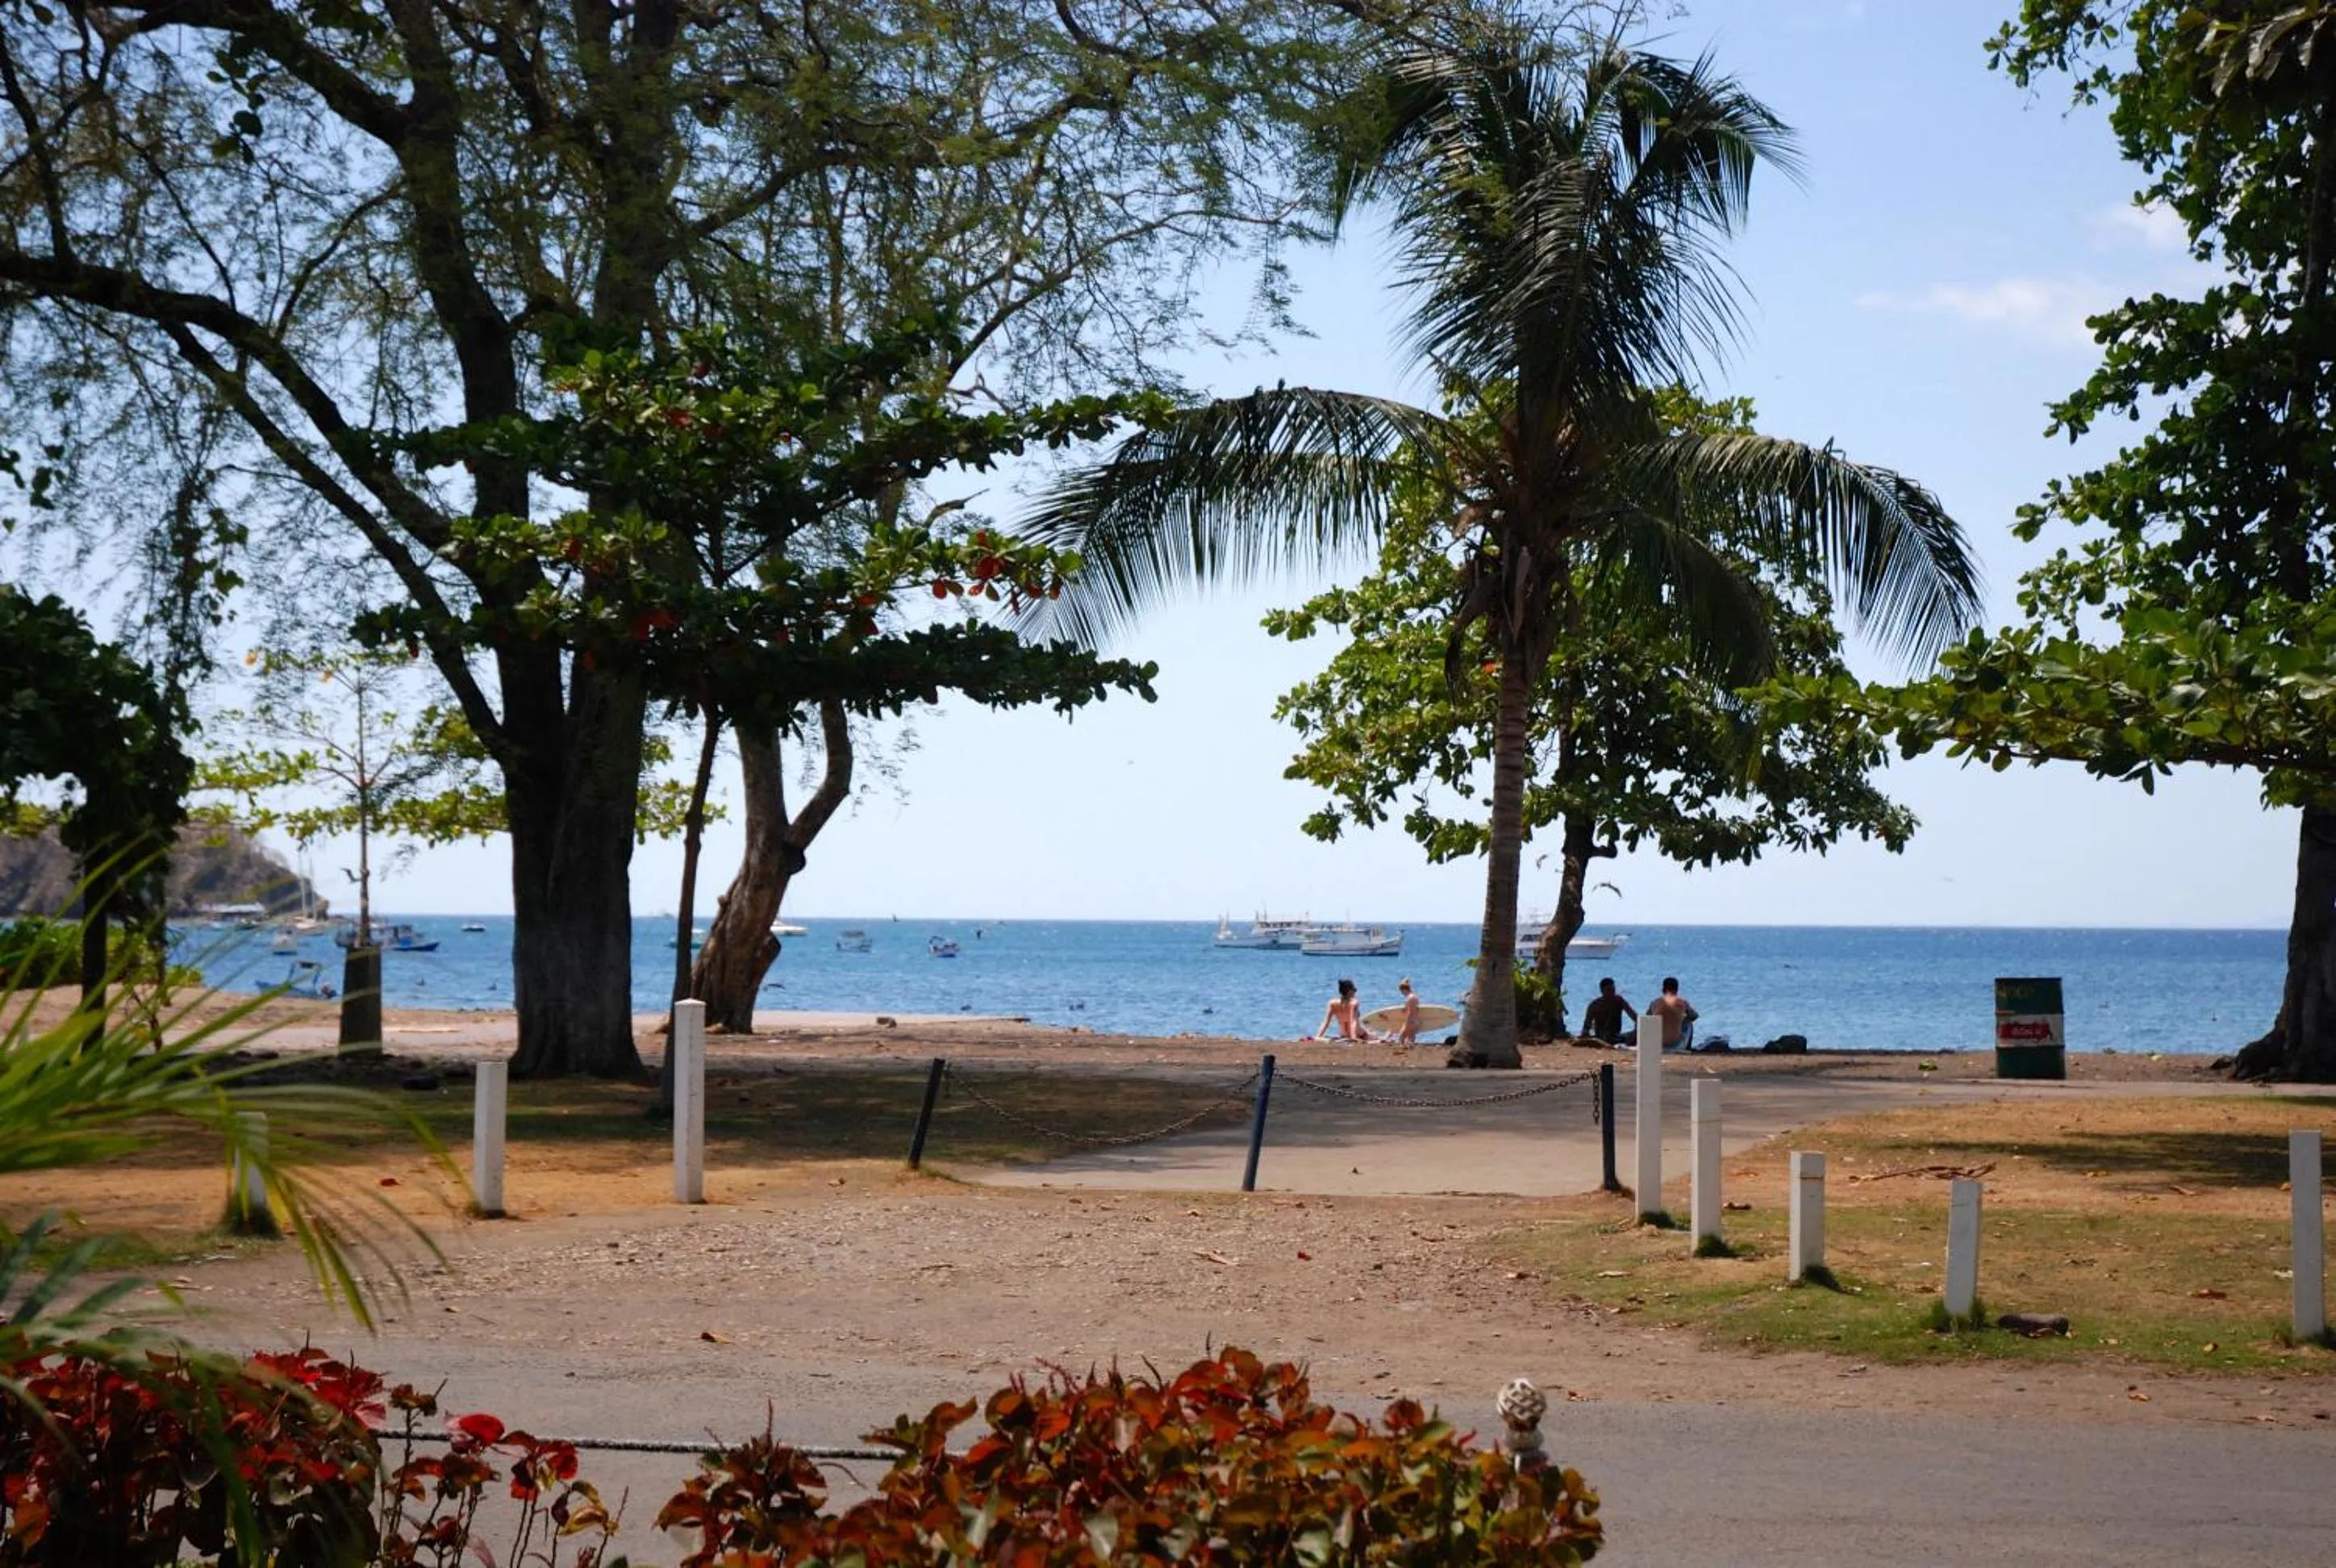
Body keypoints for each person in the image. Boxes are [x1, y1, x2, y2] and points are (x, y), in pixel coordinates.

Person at [1646, 976, 1698, 1051]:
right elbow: (1694, 1016)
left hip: (1657, 1044)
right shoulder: (1682, 1002)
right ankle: (1688, 1048)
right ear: (1677, 990)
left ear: (1663, 989)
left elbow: (1647, 1019)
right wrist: (1681, 1019)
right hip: (1676, 1046)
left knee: (1651, 1021)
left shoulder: (1655, 1002)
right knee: (1689, 1023)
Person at [1579, 977, 1637, 1045]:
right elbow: (1586, 1027)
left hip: (1617, 1036)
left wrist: (1638, 1027)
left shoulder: (1619, 1001)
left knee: (1638, 1034)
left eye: (1613, 990)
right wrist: (1586, 1035)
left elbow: (1634, 1017)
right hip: (1602, 1037)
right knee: (1607, 1037)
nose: (1612, 993)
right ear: (1602, 991)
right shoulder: (1595, 1006)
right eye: (1609, 990)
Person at [1312, 978, 1370, 1042]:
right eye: (1354, 990)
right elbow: (1353, 1021)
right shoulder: (1354, 1003)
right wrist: (1354, 1038)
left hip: (1344, 1035)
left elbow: (1326, 1022)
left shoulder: (1332, 1003)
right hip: (1360, 1035)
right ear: (1349, 991)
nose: (1355, 992)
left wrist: (1318, 1036)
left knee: (1370, 1031)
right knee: (1374, 1035)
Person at [1395, 978, 1423, 1047]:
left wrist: (1407, 1022)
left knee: (1401, 1036)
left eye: (1402, 992)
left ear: (1404, 990)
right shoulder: (1415, 997)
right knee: (1411, 1036)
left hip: (1411, 1020)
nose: (1402, 994)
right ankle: (1410, 1048)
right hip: (1416, 1020)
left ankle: (1403, 1048)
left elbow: (1411, 1012)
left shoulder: (1410, 998)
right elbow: (1416, 1009)